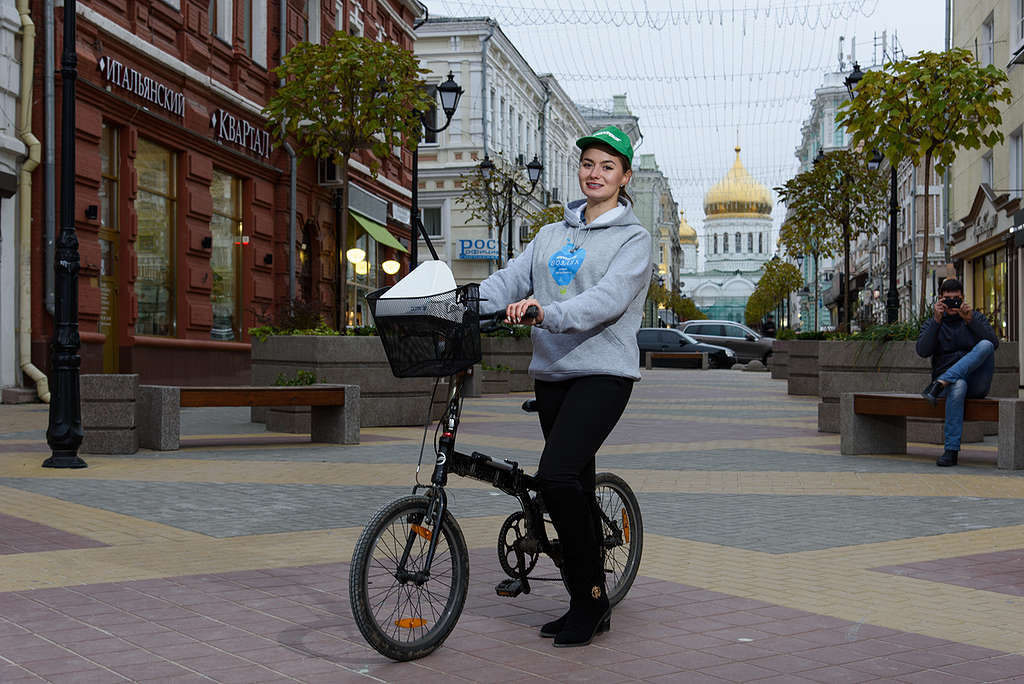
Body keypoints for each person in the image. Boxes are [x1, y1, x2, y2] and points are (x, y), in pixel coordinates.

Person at [478, 125, 651, 647]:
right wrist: (460, 301)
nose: (594, 174)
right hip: (554, 374)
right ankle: (585, 599)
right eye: (588, 164)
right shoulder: (551, 233)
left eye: (607, 166)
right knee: (571, 484)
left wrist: (545, 312)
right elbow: (509, 280)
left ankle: (591, 601)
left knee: (555, 477)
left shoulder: (633, 239)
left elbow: (607, 300)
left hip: (604, 373)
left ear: (624, 177)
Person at [917, 278, 999, 467]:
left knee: (985, 344)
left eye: (956, 299)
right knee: (958, 384)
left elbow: (993, 344)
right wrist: (936, 322)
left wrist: (970, 320)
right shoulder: (933, 322)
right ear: (940, 300)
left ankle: (941, 382)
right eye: (948, 299)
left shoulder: (974, 318)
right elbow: (922, 351)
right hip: (954, 387)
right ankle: (951, 451)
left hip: (977, 381)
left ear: (962, 298)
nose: (952, 304)